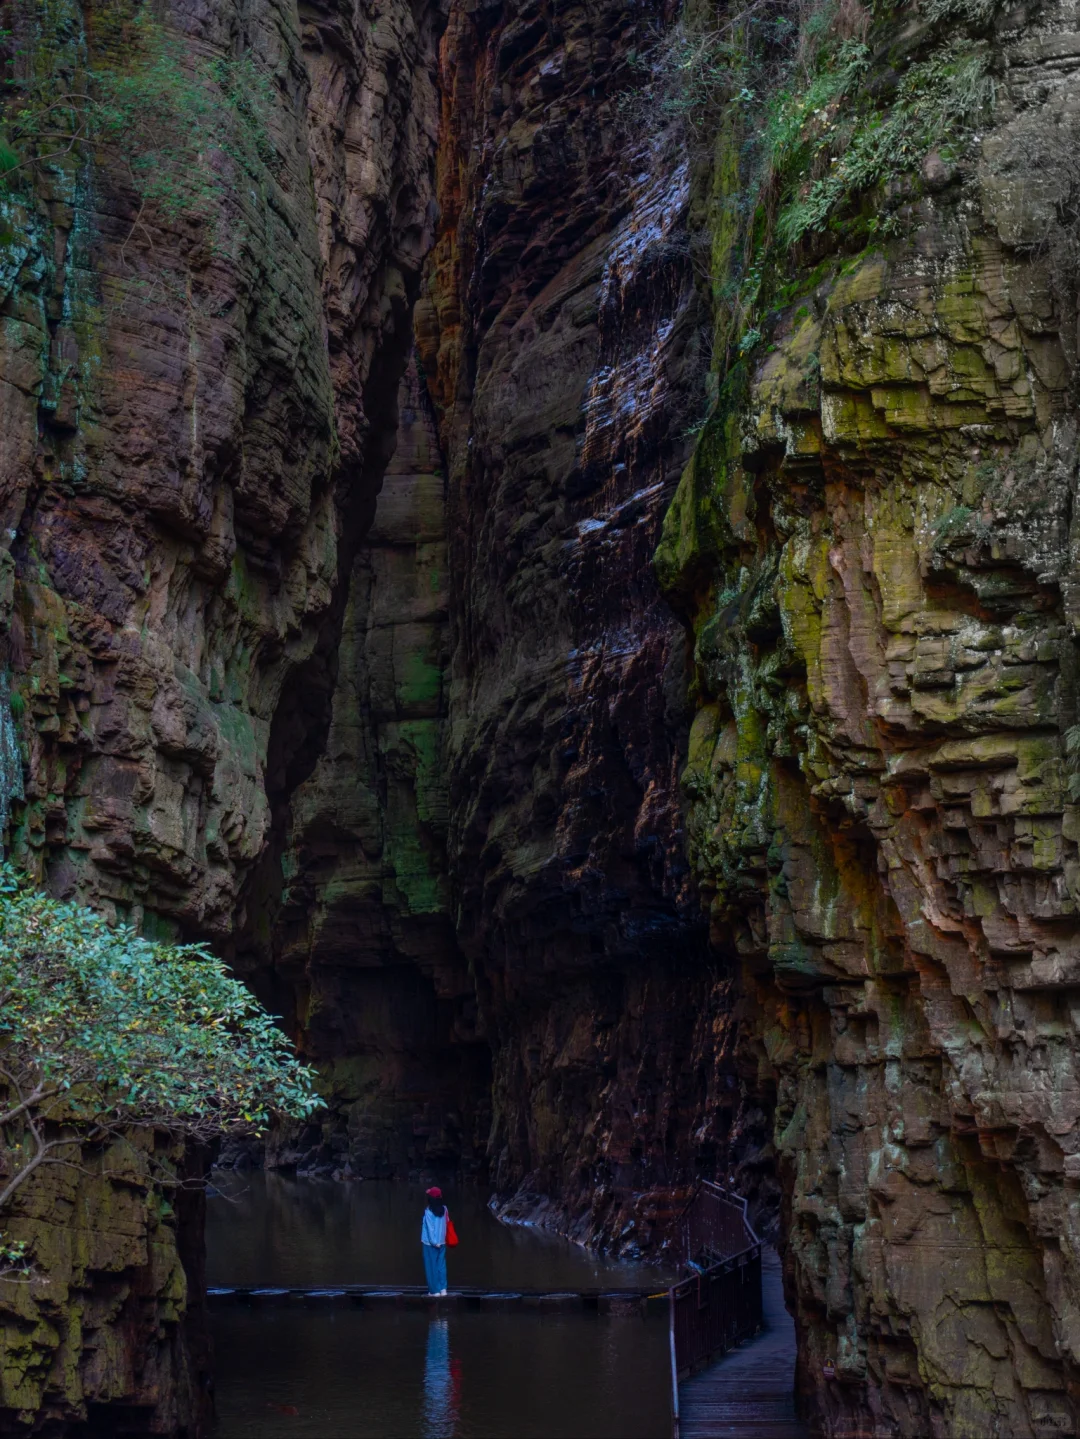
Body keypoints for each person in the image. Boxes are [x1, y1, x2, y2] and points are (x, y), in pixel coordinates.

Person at [421, 1186, 448, 1296]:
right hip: (442, 1242)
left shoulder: (428, 1212)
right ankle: (443, 1289)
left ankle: (434, 1291)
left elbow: (430, 1229)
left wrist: (433, 1242)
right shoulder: (445, 1209)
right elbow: (446, 1223)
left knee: (431, 1266)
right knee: (441, 1266)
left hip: (429, 1243)